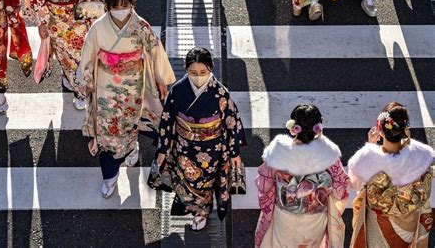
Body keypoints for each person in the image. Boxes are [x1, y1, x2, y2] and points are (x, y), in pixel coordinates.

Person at [75, 0, 176, 199]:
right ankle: (109, 177)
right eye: (116, 5)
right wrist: (87, 79)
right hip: (105, 85)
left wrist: (161, 80)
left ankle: (131, 149)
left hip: (133, 84)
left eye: (125, 4)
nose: (121, 9)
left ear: (131, 4)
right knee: (109, 131)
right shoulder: (98, 27)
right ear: (108, 6)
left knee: (131, 121)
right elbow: (88, 54)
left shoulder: (141, 26)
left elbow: (155, 51)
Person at [153, 47, 246, 232]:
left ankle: (201, 212)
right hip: (184, 147)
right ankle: (189, 205)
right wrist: (163, 150)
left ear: (211, 69)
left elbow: (231, 123)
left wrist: (234, 153)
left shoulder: (220, 93)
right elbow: (167, 120)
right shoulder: (178, 91)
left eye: (203, 72)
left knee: (206, 181)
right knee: (184, 177)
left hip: (212, 148)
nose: (198, 76)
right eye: (192, 72)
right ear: (186, 70)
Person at [254, 104, 349, 248]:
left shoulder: (278, 151)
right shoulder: (329, 154)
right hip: (314, 219)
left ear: (293, 127)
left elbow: (264, 186)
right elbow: (340, 187)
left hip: (285, 217)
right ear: (318, 127)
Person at [348, 102, 433, 247]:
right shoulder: (420, 155)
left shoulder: (367, 158)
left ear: (380, 130)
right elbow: (424, 187)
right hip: (408, 224)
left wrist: (370, 147)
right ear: (405, 130)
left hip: (377, 223)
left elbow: (355, 184)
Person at [25, 0, 102, 110]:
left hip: (81, 7)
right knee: (64, 54)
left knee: (81, 52)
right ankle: (74, 84)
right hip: (55, 12)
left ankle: (79, 89)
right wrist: (41, 22)